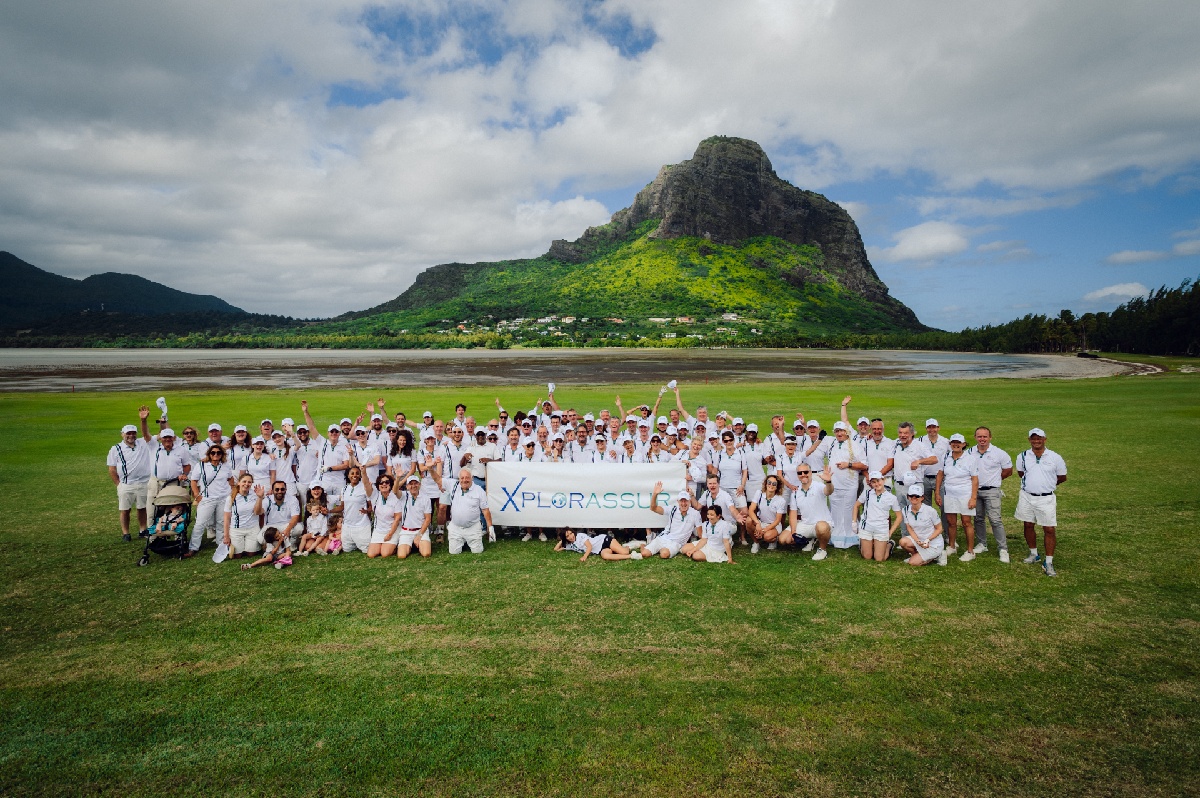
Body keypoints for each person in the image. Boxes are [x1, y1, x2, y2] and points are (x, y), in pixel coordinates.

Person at [1015, 428, 1067, 577]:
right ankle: (1034, 554)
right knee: (1028, 524)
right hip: (1026, 496)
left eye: (1039, 438)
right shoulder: (1023, 456)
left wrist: (1047, 484)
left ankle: (1049, 561)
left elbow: (1062, 477)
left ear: (1045, 439)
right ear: (1029, 440)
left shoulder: (1055, 457)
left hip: (1046, 498)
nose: (1036, 441)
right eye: (1033, 438)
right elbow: (1021, 474)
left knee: (1049, 529)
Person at [107, 409, 154, 541]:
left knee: (142, 508)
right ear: (122, 434)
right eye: (128, 433)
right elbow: (111, 469)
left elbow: (147, 434)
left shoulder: (143, 443)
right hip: (126, 484)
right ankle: (126, 533)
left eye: (133, 433)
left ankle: (143, 529)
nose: (131, 436)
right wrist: (118, 484)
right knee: (125, 510)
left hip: (144, 482)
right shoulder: (115, 449)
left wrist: (143, 420)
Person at [970, 426, 1014, 563]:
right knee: (978, 518)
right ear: (975, 437)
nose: (982, 439)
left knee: (995, 520)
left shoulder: (999, 453)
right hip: (975, 491)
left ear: (990, 437)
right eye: (979, 436)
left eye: (985, 436)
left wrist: (995, 480)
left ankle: (1003, 549)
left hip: (992, 491)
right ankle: (982, 544)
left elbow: (1008, 470)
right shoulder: (970, 452)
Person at [936, 434, 980, 562]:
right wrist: (937, 493)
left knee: (966, 522)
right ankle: (952, 546)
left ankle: (970, 551)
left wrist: (973, 497)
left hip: (965, 494)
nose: (956, 445)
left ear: (964, 444)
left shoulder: (970, 459)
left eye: (959, 443)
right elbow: (940, 474)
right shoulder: (945, 457)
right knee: (951, 522)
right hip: (949, 493)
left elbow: (975, 479)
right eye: (953, 442)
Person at [190, 444, 236, 553]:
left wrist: (232, 491)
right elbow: (193, 481)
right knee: (200, 523)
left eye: (218, 453)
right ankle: (193, 547)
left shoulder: (225, 465)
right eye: (213, 453)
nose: (216, 455)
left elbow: (230, 478)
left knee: (221, 522)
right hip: (207, 498)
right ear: (209, 454)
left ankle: (221, 544)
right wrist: (197, 495)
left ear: (222, 454)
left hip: (223, 498)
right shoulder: (201, 465)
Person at [785, 464, 834, 560]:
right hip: (805, 524)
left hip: (822, 524)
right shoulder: (795, 492)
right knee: (785, 540)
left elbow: (829, 491)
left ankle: (822, 549)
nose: (803, 474)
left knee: (821, 527)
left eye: (806, 472)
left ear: (811, 473)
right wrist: (793, 532)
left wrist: (828, 481)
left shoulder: (818, 486)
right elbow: (793, 513)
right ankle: (810, 540)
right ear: (797, 475)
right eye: (800, 473)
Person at [445, 468, 496, 555]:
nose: (464, 480)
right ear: (459, 479)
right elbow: (437, 479)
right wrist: (430, 468)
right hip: (456, 527)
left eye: (467, 477)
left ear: (472, 478)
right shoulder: (453, 486)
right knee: (454, 552)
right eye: (462, 478)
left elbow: (485, 510)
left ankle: (467, 540)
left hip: (473, 527)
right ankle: (463, 541)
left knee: (477, 551)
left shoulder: (479, 490)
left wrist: (490, 528)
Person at [643, 482, 701, 559]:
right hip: (663, 538)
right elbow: (653, 508)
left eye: (686, 501)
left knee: (664, 554)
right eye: (681, 501)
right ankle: (643, 546)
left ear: (689, 501)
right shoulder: (672, 509)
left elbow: (700, 534)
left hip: (677, 543)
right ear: (678, 502)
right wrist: (655, 494)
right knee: (644, 553)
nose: (683, 503)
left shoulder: (695, 514)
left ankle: (658, 548)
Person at [854, 470, 902, 562]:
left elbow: (899, 517)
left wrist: (890, 532)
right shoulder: (867, 493)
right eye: (873, 482)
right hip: (866, 527)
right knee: (867, 556)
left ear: (883, 480)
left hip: (881, 529)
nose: (877, 484)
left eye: (878, 481)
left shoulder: (892, 497)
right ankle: (865, 543)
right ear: (870, 483)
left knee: (879, 558)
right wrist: (854, 522)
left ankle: (889, 545)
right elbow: (856, 505)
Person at [141, 420, 190, 510]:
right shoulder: (154, 447)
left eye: (170, 437)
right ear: (160, 438)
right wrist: (143, 420)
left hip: (174, 483)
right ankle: (152, 524)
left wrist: (184, 474)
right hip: (156, 483)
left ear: (173, 438)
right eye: (165, 437)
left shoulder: (181, 450)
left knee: (171, 510)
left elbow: (187, 465)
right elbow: (145, 435)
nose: (167, 439)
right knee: (152, 511)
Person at [897, 484, 945, 566]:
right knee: (903, 542)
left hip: (933, 543)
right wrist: (917, 541)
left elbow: (939, 529)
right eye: (911, 496)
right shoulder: (905, 510)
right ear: (908, 497)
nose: (914, 498)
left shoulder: (930, 511)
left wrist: (927, 540)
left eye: (917, 496)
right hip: (919, 541)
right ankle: (917, 555)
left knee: (912, 562)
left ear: (922, 498)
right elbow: (909, 528)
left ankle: (939, 554)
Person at [393, 474, 433, 559]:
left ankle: (417, 543)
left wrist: (419, 535)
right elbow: (395, 491)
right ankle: (412, 545)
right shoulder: (404, 495)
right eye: (411, 484)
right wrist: (397, 478)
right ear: (407, 486)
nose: (413, 486)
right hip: (406, 532)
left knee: (426, 554)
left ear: (419, 485)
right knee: (401, 555)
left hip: (420, 531)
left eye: (416, 483)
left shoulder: (426, 498)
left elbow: (428, 519)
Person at [224, 474, 264, 558]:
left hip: (252, 528)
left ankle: (249, 545)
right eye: (244, 481)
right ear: (238, 483)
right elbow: (227, 518)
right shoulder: (231, 498)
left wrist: (260, 497)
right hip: (237, 529)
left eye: (249, 482)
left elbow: (258, 512)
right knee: (237, 555)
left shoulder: (255, 494)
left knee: (251, 554)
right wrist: (226, 536)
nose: (246, 484)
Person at [746, 474, 787, 550]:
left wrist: (764, 530)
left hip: (774, 525)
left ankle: (773, 540)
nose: (771, 485)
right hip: (761, 522)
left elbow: (778, 520)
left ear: (777, 487)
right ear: (765, 483)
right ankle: (756, 543)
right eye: (769, 482)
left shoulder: (781, 500)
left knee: (767, 537)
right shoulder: (759, 493)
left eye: (774, 484)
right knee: (748, 520)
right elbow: (751, 510)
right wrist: (758, 523)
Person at [366, 474, 402, 558]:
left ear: (390, 484)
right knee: (371, 554)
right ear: (378, 486)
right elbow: (366, 485)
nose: (384, 484)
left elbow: (397, 519)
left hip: (392, 529)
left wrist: (389, 534)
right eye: (381, 483)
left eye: (387, 482)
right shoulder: (375, 496)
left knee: (385, 554)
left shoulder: (395, 497)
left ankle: (396, 546)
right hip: (379, 530)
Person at [339, 465, 372, 554]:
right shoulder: (344, 488)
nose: (355, 475)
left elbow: (371, 507)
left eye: (357, 473)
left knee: (366, 550)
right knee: (346, 549)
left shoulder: (365, 487)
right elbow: (342, 507)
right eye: (352, 473)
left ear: (360, 475)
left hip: (362, 525)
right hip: (347, 525)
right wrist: (329, 511)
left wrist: (367, 511)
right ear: (348, 475)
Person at [262, 480, 301, 550]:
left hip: (286, 525)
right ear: (272, 490)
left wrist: (288, 529)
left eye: (282, 489)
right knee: (260, 539)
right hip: (271, 526)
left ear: (286, 490)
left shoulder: (292, 499)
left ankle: (292, 543)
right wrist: (259, 498)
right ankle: (279, 544)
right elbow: (259, 513)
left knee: (299, 529)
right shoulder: (267, 499)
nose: (280, 491)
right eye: (277, 489)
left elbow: (295, 517)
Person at [556, 528, 637, 561]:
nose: (571, 536)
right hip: (600, 550)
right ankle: (631, 556)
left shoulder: (580, 536)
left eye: (571, 533)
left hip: (604, 540)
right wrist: (562, 541)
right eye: (567, 536)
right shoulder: (571, 545)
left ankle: (628, 546)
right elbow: (556, 549)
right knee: (605, 556)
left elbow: (589, 546)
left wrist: (585, 556)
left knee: (624, 551)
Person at [296, 484, 330, 555]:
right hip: (313, 533)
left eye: (317, 509)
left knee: (318, 541)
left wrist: (321, 534)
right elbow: (309, 527)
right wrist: (312, 534)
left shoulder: (322, 517)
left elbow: (324, 527)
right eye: (314, 510)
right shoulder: (309, 519)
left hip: (321, 534)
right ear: (310, 511)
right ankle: (299, 551)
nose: (316, 511)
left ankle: (308, 551)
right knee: (306, 540)